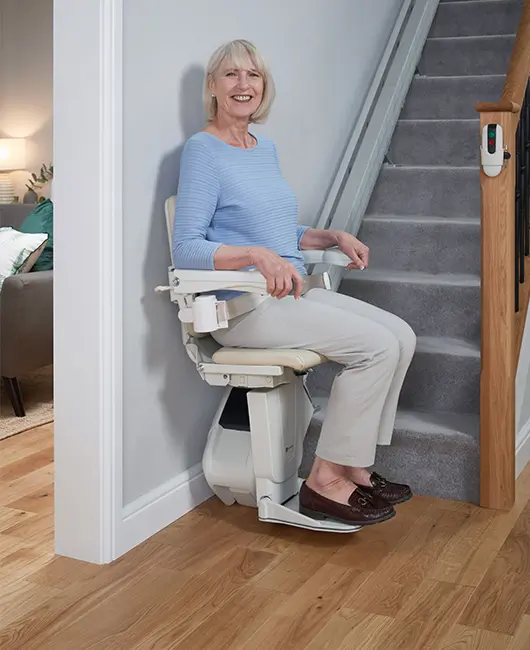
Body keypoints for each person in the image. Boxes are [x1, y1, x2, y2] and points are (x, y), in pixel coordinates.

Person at [172, 39, 417, 527]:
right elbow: (186, 248)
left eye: (254, 76)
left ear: (264, 87)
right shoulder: (203, 151)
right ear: (213, 87)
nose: (244, 85)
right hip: (243, 309)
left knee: (402, 337)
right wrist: (255, 257)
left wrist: (328, 235)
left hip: (290, 293)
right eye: (232, 75)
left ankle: (355, 467)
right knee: (375, 349)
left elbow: (277, 231)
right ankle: (325, 481)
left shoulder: (265, 149)